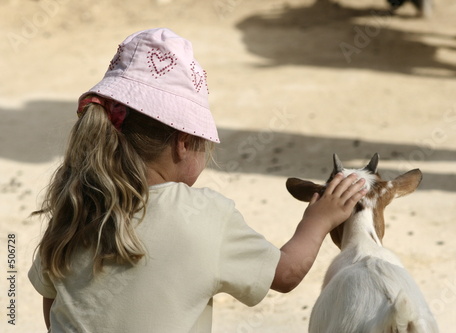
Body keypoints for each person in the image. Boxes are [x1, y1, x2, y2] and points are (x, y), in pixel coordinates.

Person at [28, 28, 367, 333]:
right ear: (184, 143)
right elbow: (286, 274)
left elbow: (52, 300)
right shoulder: (204, 215)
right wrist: (319, 219)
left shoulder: (75, 202)